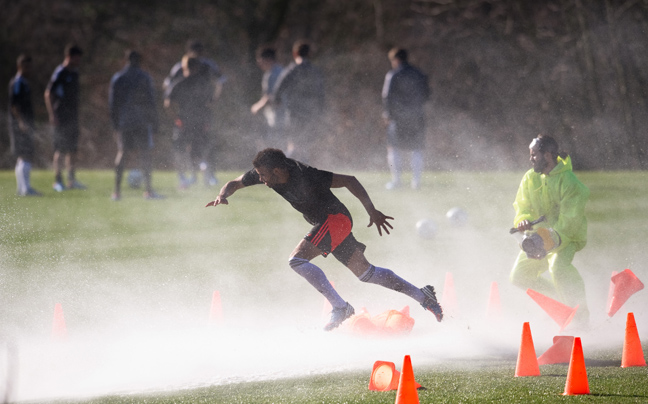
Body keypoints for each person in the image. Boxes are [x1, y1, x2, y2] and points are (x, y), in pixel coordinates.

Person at [206, 148, 443, 331]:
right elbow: (234, 183)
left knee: (296, 260)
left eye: (264, 176)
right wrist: (222, 195)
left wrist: (372, 211)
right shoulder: (267, 173)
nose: (262, 181)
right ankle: (423, 295)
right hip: (332, 223)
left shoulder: (306, 175)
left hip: (335, 219)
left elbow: (350, 180)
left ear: (277, 171)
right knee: (366, 273)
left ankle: (341, 307)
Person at [510, 135, 590, 327]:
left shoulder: (569, 181)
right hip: (539, 238)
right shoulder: (530, 177)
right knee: (519, 277)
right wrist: (523, 220)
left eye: (534, 155)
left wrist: (552, 238)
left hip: (567, 238)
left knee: (559, 269)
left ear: (547, 155)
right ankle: (559, 302)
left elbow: (571, 219)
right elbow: (522, 205)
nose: (531, 159)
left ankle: (581, 317)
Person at [163, 39, 226, 187]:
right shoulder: (203, 81)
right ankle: (202, 174)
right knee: (201, 146)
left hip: (185, 119)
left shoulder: (181, 80)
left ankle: (189, 176)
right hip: (200, 118)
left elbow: (167, 100)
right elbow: (218, 87)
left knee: (186, 147)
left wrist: (175, 117)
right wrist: (213, 102)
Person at [109, 50, 162, 201]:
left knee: (122, 153)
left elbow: (113, 104)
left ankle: (116, 192)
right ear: (140, 61)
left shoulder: (118, 78)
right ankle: (148, 191)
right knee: (145, 154)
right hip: (142, 121)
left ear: (126, 60)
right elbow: (151, 102)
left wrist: (115, 125)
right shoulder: (144, 77)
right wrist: (155, 123)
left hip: (125, 122)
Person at [381, 47, 430, 190]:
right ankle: (416, 182)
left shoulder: (392, 75)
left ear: (396, 60)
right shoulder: (419, 73)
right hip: (417, 116)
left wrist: (387, 115)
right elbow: (427, 94)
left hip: (397, 118)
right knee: (417, 148)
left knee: (393, 147)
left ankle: (396, 181)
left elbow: (387, 96)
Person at [271, 40, 325, 162]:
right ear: (309, 54)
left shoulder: (292, 69)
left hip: (294, 111)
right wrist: (321, 108)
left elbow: (279, 86)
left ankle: (286, 163)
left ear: (295, 53)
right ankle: (303, 164)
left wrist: (277, 100)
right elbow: (320, 92)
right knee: (305, 141)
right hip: (311, 111)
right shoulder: (314, 71)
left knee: (294, 141)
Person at [45, 43, 86, 192]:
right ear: (69, 57)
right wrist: (52, 114)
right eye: (77, 58)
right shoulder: (60, 72)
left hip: (72, 117)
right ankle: (57, 181)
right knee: (60, 150)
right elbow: (48, 93)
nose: (79, 61)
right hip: (60, 117)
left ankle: (71, 180)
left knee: (72, 150)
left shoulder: (75, 73)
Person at [8, 54, 41, 196]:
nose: (29, 69)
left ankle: (23, 188)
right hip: (20, 124)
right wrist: (21, 122)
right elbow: (14, 105)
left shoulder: (25, 82)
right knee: (24, 154)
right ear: (19, 66)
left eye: (30, 66)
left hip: (26, 123)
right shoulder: (17, 82)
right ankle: (25, 189)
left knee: (25, 155)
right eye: (26, 66)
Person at [250, 47, 288, 152]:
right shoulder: (282, 70)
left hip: (277, 116)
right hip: (284, 115)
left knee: (276, 145)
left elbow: (270, 96)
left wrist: (256, 107)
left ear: (268, 59)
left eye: (260, 60)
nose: (259, 64)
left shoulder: (272, 74)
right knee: (282, 145)